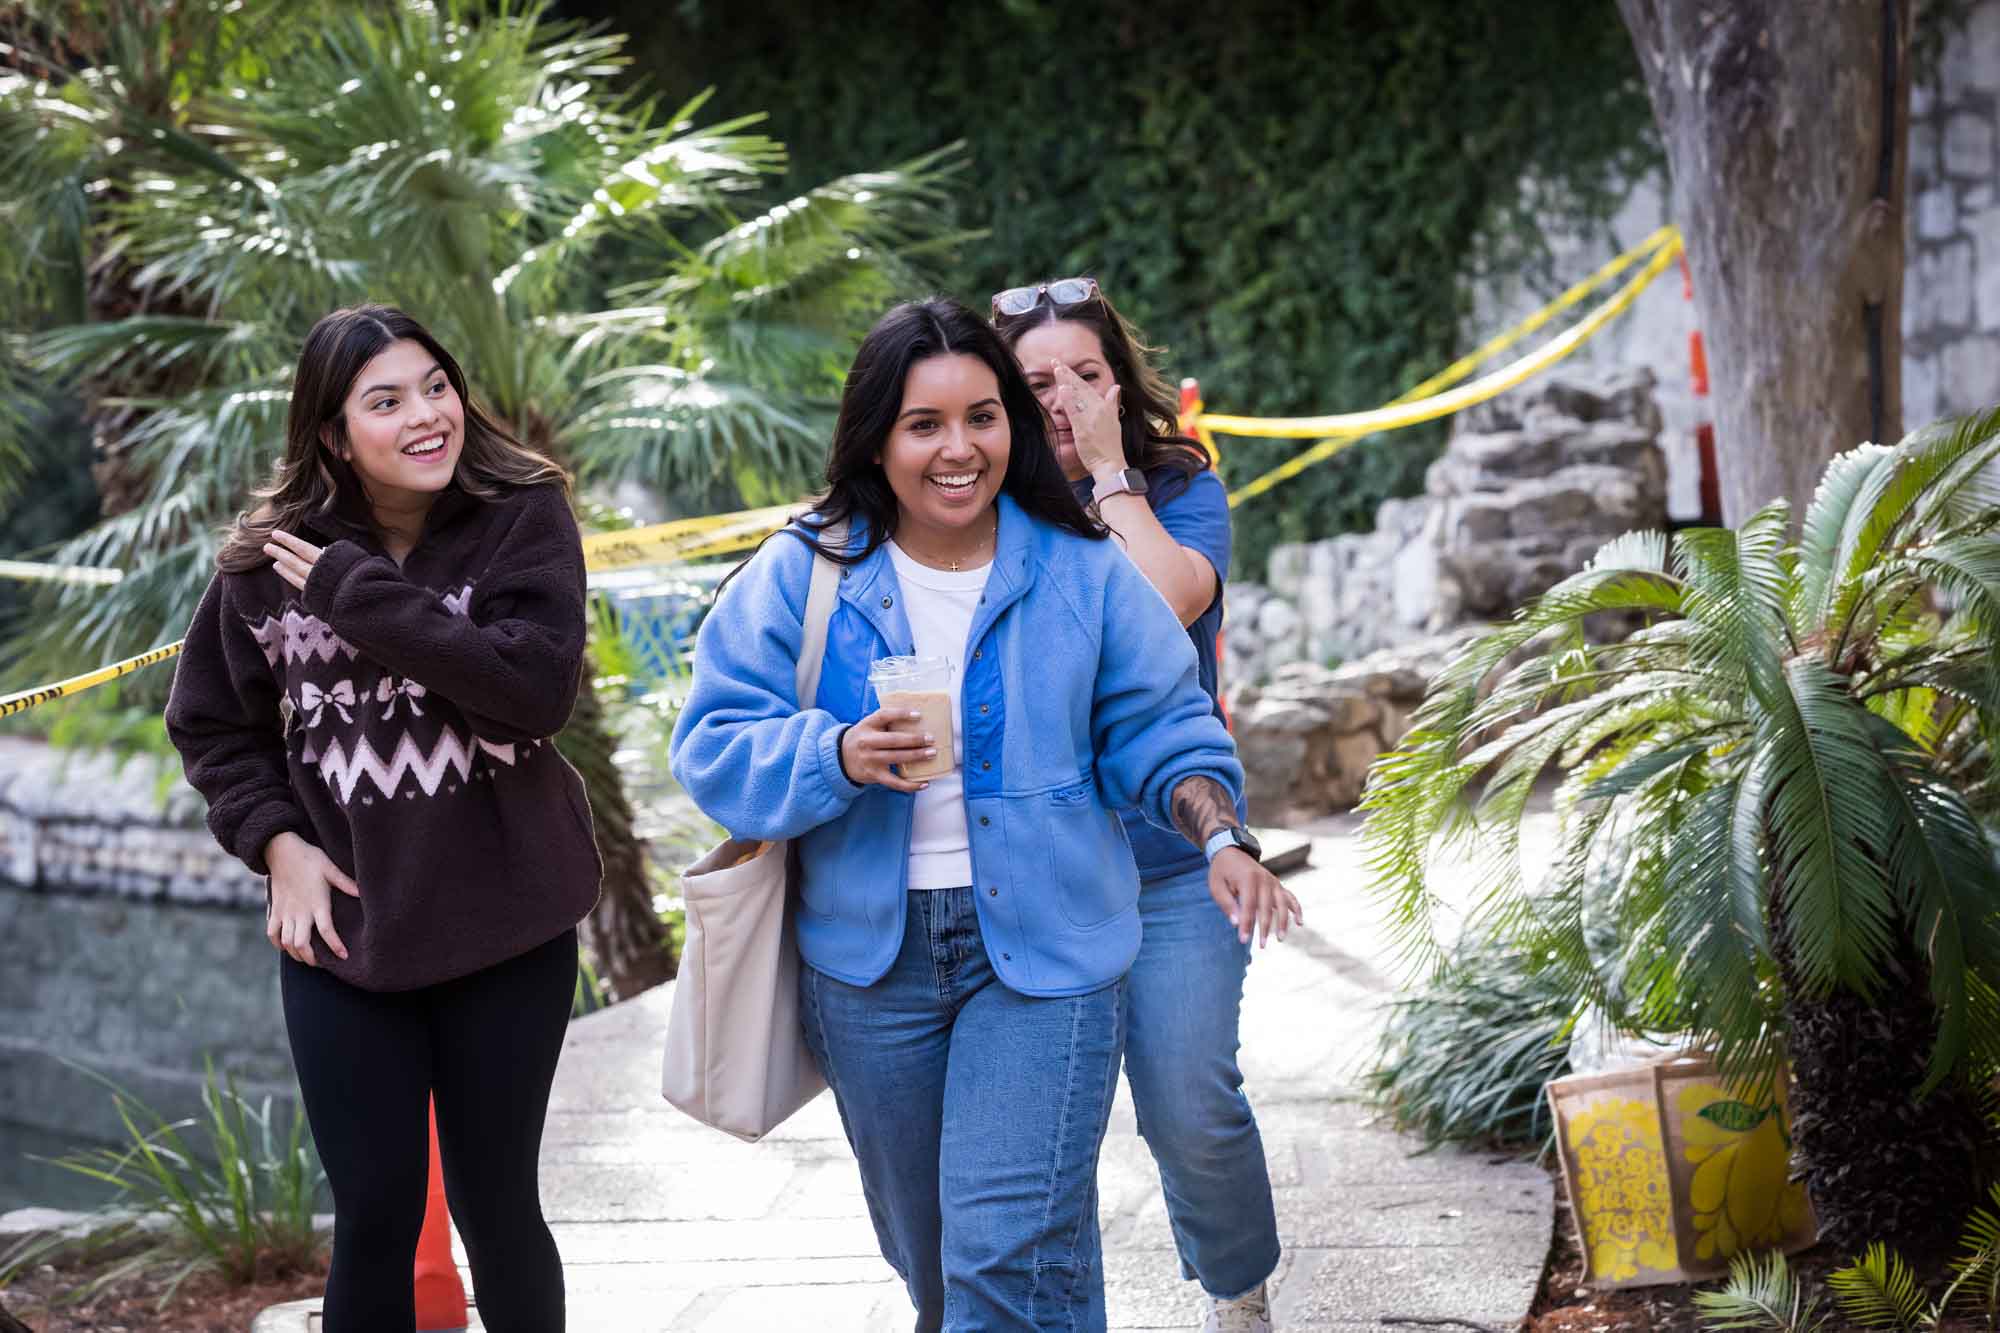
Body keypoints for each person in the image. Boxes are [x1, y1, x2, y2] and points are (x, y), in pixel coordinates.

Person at [670, 298, 1297, 1332]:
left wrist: (1217, 833)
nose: (957, 449)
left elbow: (1160, 725)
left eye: (982, 418)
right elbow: (714, 744)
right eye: (924, 424)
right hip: (870, 966)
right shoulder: (804, 569)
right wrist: (834, 754)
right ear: (876, 436)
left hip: (1048, 951)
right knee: (938, 1268)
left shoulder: (1078, 567)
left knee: (1001, 1255)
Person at [164, 305, 600, 1333]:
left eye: (435, 386)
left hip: (510, 924)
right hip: (347, 934)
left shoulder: (521, 518)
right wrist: (280, 846)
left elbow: (531, 692)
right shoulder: (262, 568)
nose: (426, 415)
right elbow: (214, 728)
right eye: (386, 400)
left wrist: (359, 595)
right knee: (372, 1215)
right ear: (331, 432)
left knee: (500, 1210)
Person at [996, 276, 1295, 1333]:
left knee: (1188, 1104)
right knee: (1039, 1136)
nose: (1065, 400)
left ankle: (1236, 1288)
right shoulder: (982, 509)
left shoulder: (1177, 489)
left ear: (1121, 388)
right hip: (1037, 867)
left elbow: (1166, 604)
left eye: (1087, 375)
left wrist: (1113, 476)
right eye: (1035, 383)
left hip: (1175, 851)